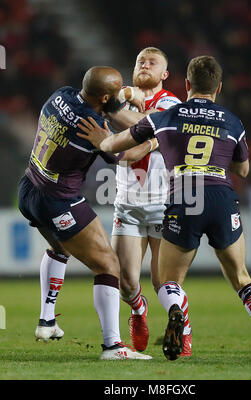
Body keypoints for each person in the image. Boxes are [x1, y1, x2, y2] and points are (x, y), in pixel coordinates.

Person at [77, 56, 251, 363]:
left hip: (183, 199)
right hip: (220, 197)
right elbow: (243, 170)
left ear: (186, 84)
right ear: (218, 88)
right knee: (241, 277)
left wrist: (104, 140)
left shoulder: (169, 113)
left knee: (168, 281)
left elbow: (117, 145)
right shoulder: (231, 120)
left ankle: (177, 315)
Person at [17, 65, 154, 360]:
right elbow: (125, 155)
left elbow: (105, 110)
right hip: (58, 200)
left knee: (58, 248)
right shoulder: (91, 125)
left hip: (29, 186)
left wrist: (118, 101)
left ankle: (47, 320)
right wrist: (153, 143)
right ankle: (113, 347)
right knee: (108, 265)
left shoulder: (60, 95)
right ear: (106, 97)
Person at [106, 47, 192, 356]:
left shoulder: (170, 102)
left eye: (152, 62)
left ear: (164, 75)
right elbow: (128, 145)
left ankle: (185, 329)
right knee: (126, 283)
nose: (144, 64)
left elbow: (147, 128)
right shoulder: (119, 102)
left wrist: (143, 137)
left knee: (163, 281)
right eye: (140, 60)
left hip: (163, 203)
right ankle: (138, 312)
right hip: (127, 203)